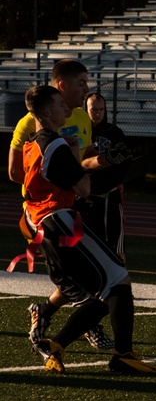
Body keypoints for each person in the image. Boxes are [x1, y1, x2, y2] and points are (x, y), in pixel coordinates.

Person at [19, 85, 156, 374]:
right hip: (61, 220)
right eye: (59, 103)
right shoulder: (55, 144)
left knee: (103, 290)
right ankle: (120, 355)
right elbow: (83, 187)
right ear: (47, 111)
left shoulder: (34, 142)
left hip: (45, 222)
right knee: (118, 279)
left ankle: (60, 343)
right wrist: (74, 157)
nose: (65, 108)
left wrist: (98, 160)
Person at [9, 59, 116, 351]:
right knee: (87, 276)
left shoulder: (82, 118)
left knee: (76, 276)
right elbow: (16, 172)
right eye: (81, 83)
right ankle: (88, 326)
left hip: (77, 205)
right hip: (47, 212)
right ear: (62, 86)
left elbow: (81, 161)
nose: (87, 88)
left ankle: (44, 311)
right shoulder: (32, 122)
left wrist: (109, 160)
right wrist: (58, 176)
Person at [80, 93, 131, 260]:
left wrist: (113, 183)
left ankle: (120, 283)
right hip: (85, 197)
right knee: (87, 244)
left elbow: (125, 164)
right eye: (93, 109)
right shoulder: (79, 131)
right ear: (85, 109)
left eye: (101, 109)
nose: (97, 113)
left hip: (110, 196)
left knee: (116, 245)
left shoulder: (115, 132)